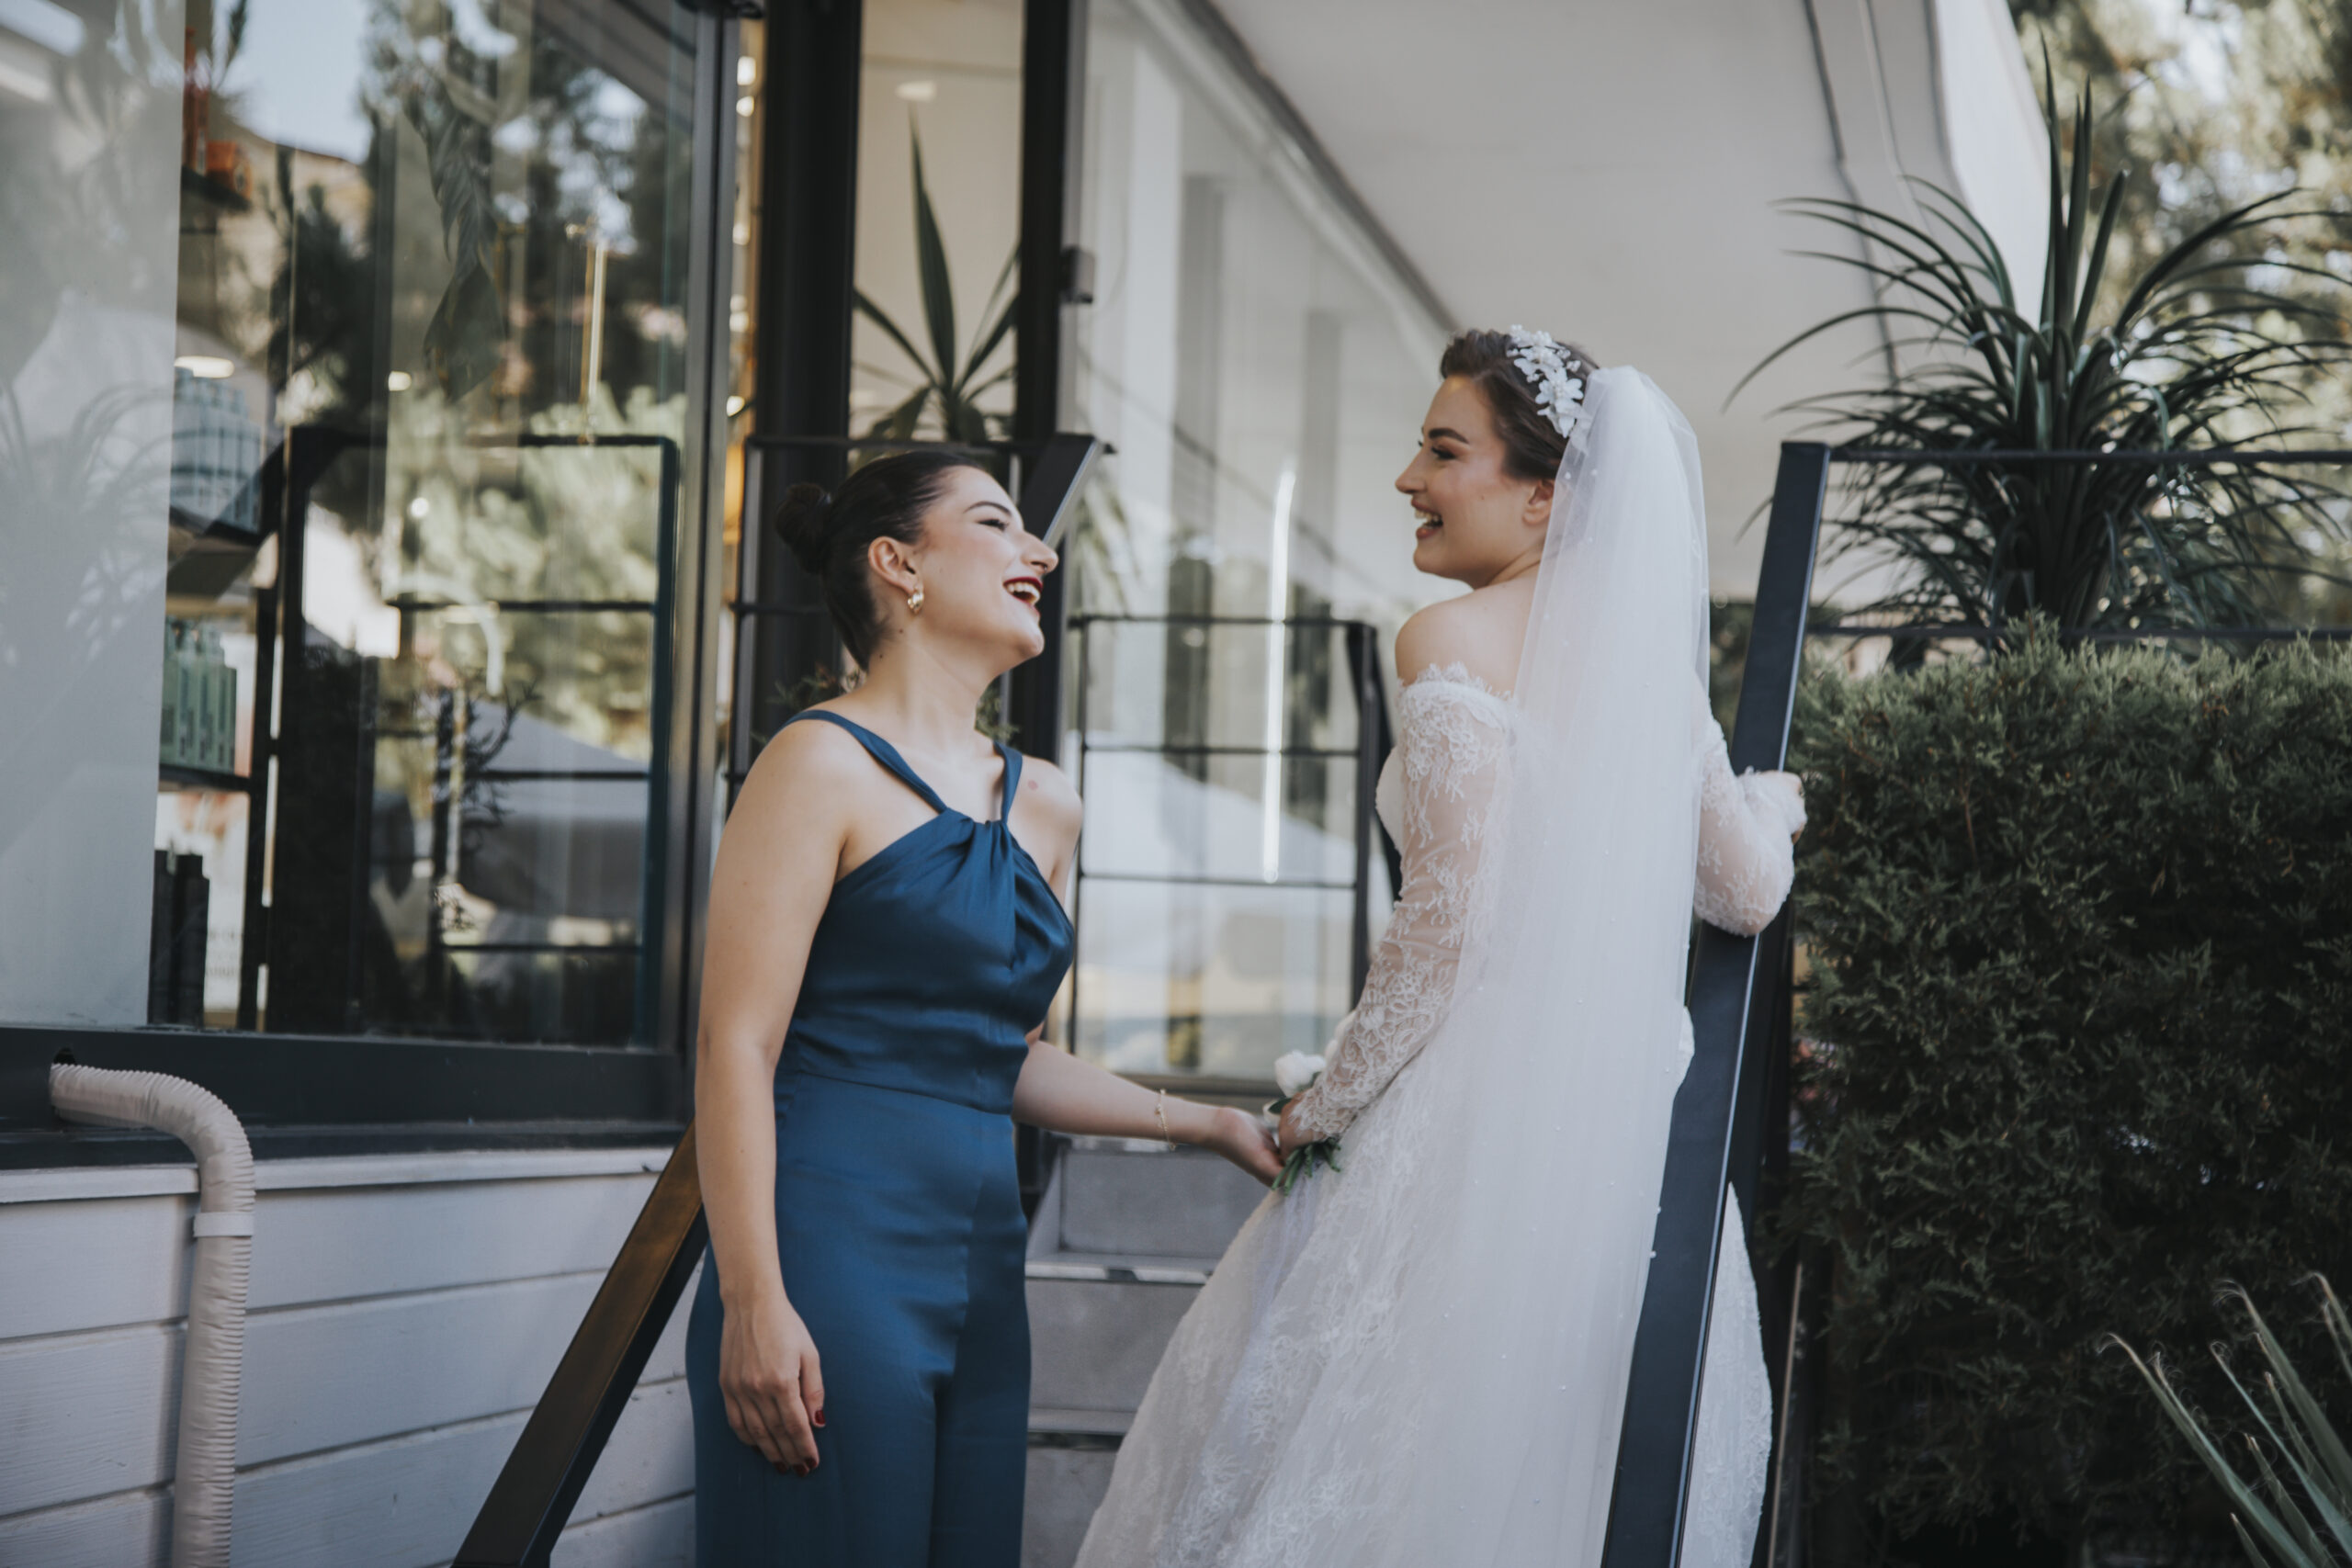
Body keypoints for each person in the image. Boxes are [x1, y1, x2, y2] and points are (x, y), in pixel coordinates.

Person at [1075, 332, 1808, 1568]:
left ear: (1545, 496)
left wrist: (1325, 1101)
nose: (1409, 478)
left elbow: (1445, 920)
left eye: (1442, 450)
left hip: (1470, 1117)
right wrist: (1771, 802)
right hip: (1618, 1136)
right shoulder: (1648, 674)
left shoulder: (1448, 636)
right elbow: (1745, 892)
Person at [686, 451, 1283, 1568]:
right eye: (997, 524)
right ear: (897, 563)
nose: (1039, 552)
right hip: (827, 1256)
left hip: (981, 1277)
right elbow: (735, 1045)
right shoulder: (816, 762)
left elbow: (1000, 1059)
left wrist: (1208, 1125)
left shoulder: (1046, 803)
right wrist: (754, 1298)